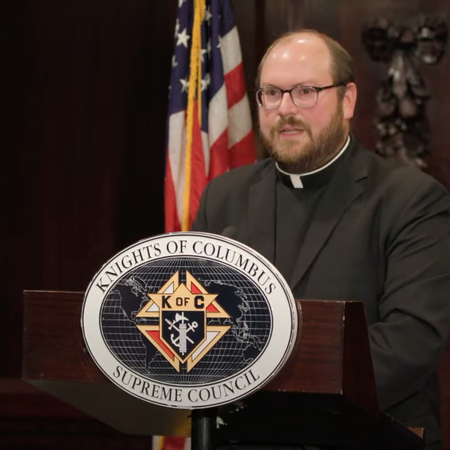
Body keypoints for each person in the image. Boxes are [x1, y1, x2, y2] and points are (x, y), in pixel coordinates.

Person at [192, 29, 450, 449]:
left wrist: (273, 382)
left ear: (347, 100)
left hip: (365, 436)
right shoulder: (226, 197)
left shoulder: (410, 198)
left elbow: (412, 339)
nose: (285, 109)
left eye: (306, 91)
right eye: (271, 93)